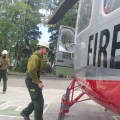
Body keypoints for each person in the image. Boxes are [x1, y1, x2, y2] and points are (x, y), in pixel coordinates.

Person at [20, 41, 49, 120]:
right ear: (41, 48)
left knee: (36, 99)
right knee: (39, 102)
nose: (47, 51)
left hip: (34, 80)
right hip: (31, 80)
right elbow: (31, 72)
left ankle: (25, 113)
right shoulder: (35, 57)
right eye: (47, 49)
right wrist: (38, 82)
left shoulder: (40, 57)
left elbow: (36, 71)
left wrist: (38, 81)